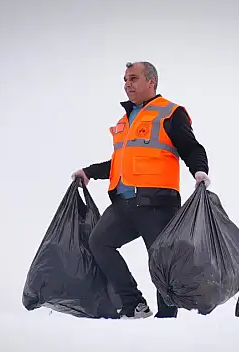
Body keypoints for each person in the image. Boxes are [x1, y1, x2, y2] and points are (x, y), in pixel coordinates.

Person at [71, 61, 211, 319]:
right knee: (99, 242)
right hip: (123, 203)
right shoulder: (124, 121)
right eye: (125, 79)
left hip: (157, 203)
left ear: (151, 82)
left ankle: (167, 320)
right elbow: (120, 162)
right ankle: (134, 304)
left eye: (133, 78)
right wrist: (89, 172)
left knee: (160, 262)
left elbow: (191, 147)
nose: (127, 84)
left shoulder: (170, 112)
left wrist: (199, 170)